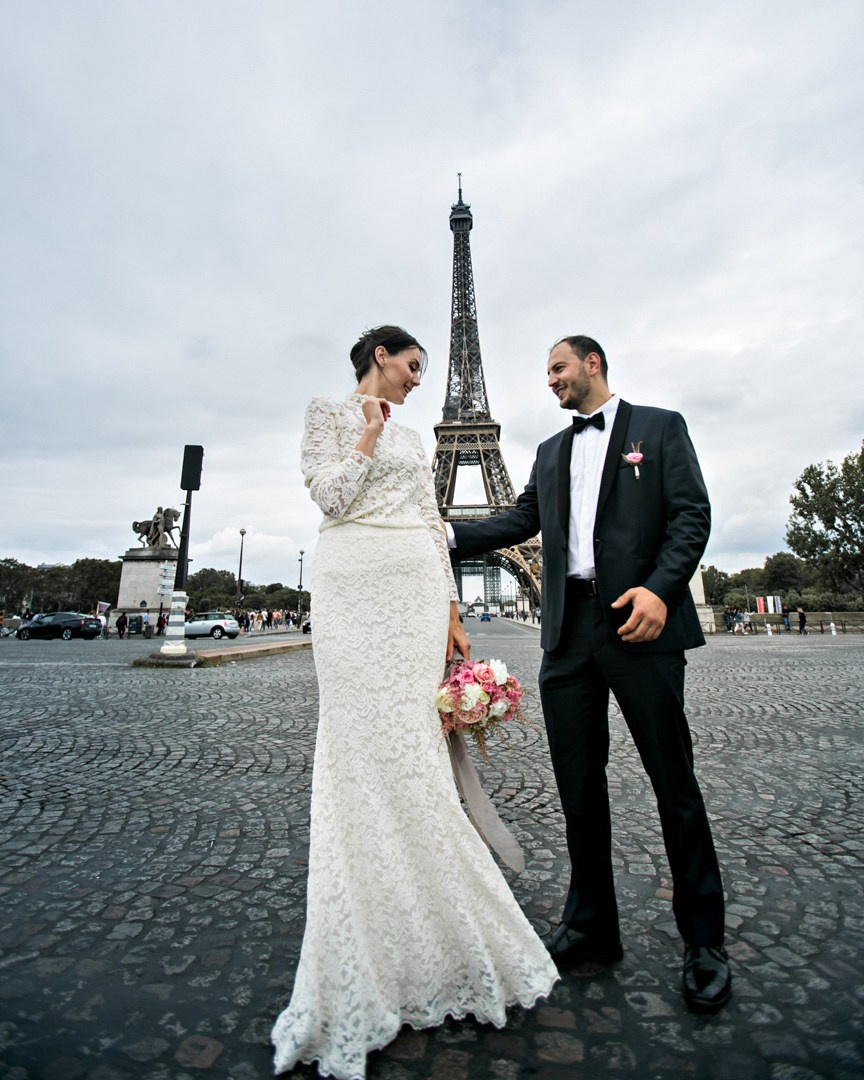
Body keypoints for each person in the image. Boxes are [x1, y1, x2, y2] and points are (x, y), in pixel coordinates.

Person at [271, 326, 558, 1079]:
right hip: (350, 581)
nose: (419, 381)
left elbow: (435, 525)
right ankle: (366, 921)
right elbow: (330, 498)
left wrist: (454, 612)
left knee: (413, 747)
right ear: (379, 358)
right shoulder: (328, 414)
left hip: (411, 589)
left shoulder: (422, 439)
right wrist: (366, 436)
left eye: (425, 370)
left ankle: (439, 926)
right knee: (358, 742)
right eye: (411, 367)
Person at [448, 335, 730, 1015]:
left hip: (640, 621)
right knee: (578, 785)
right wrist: (435, 533)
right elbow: (519, 518)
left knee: (674, 784)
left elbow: (692, 516)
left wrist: (663, 590)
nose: (550, 380)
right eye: (546, 371)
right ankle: (592, 924)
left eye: (558, 367)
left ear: (593, 363)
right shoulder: (550, 452)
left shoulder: (659, 428)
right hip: (568, 633)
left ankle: (704, 941)